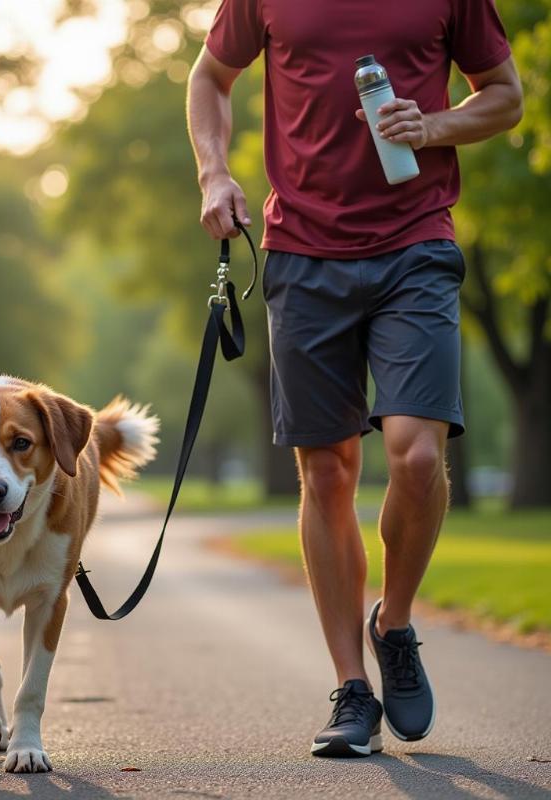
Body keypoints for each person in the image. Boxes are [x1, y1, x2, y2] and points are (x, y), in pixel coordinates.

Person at [187, 0, 522, 757]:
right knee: (328, 473)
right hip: (303, 253)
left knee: (419, 454)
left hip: (417, 243)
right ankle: (352, 689)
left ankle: (393, 625)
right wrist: (214, 173)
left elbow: (506, 96)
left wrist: (433, 127)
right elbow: (210, 75)